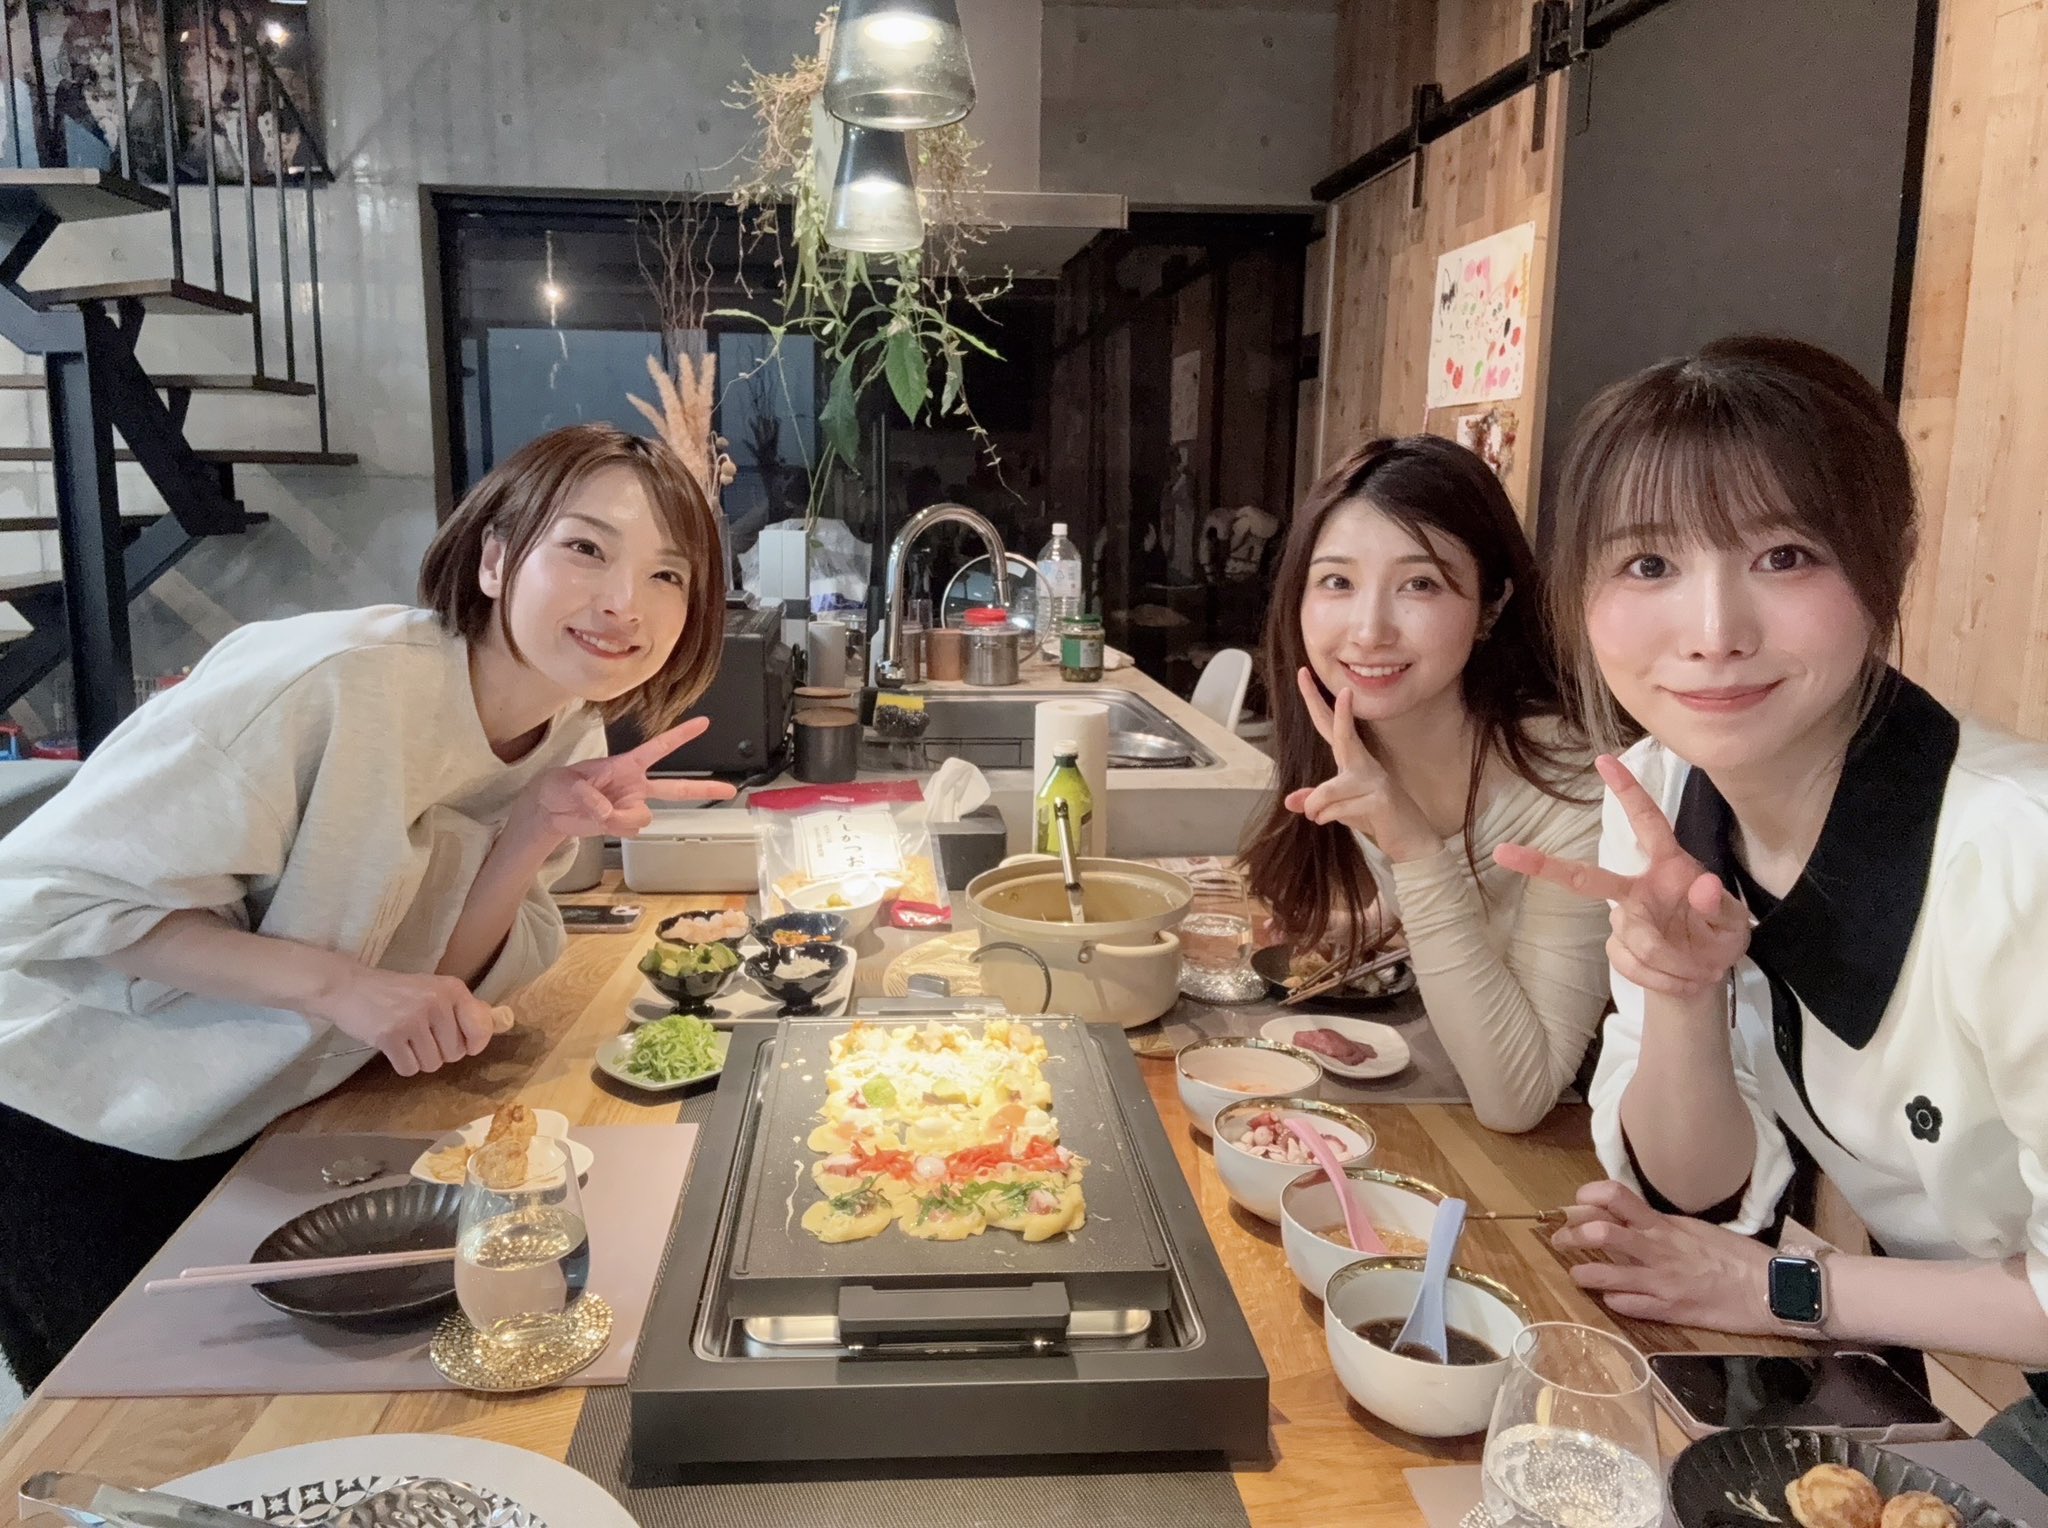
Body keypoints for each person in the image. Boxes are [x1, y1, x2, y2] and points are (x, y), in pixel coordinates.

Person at [0, 422, 734, 1393]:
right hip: (74, 1116)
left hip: (259, 1115)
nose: (622, 602)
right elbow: (41, 901)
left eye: (666, 574)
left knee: (269, 1404)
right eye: (586, 548)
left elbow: (432, 989)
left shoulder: (568, 726)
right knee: (119, 1427)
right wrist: (341, 987)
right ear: (495, 559)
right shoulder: (329, 681)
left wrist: (531, 831)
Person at [1498, 335, 2048, 1488]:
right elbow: (1691, 1187)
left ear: (1887, 560)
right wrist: (1679, 993)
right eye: (1647, 562)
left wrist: (1781, 1287)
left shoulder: (2016, 853)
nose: (1712, 630)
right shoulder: (1658, 792)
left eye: (1783, 554)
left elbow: (1736, 1261)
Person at [1243, 435, 1609, 1132]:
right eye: (1337, 582)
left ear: (1492, 605)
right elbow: (1470, 899)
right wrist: (1373, 917)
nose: (1369, 630)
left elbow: (1516, 1098)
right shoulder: (1356, 736)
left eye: (1421, 584)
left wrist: (1412, 849)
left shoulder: (1575, 788)